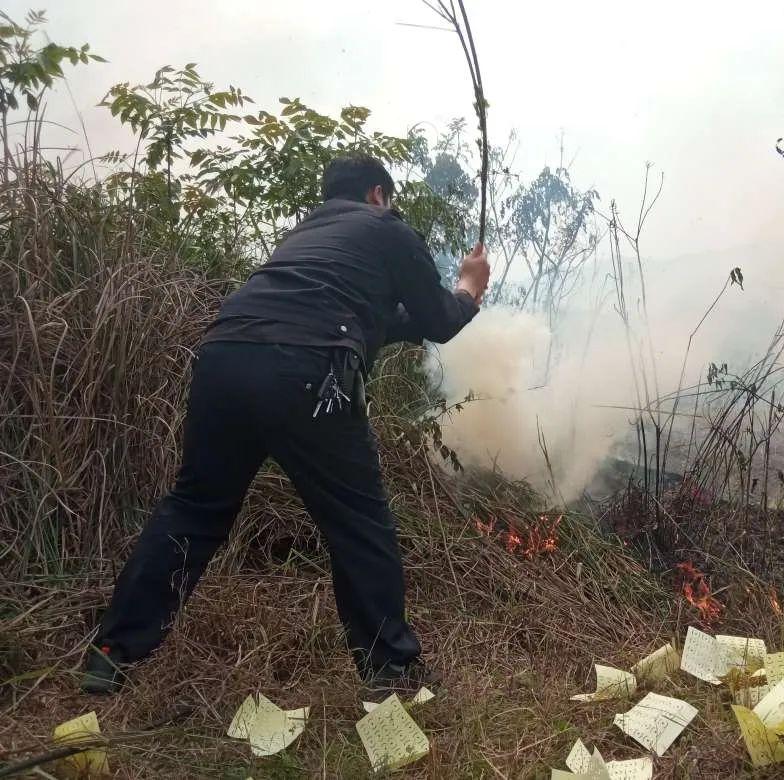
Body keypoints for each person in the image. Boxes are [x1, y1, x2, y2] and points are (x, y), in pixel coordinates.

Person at [81, 154, 490, 696]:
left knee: (194, 508)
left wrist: (405, 324)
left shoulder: (303, 238)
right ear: (377, 194)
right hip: (309, 372)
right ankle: (390, 670)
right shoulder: (384, 227)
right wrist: (467, 289)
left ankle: (111, 651)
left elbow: (367, 320)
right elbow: (439, 320)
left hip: (223, 358)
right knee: (357, 522)